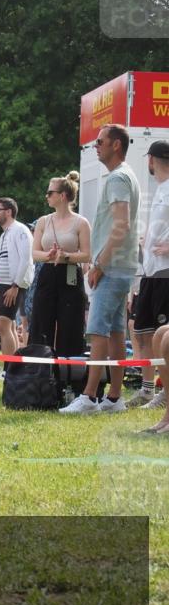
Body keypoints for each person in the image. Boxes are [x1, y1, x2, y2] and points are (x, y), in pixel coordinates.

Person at [61, 124, 140, 414]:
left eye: (100, 141)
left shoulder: (118, 177)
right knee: (117, 333)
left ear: (116, 145)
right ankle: (115, 398)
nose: (96, 146)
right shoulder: (125, 175)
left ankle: (89, 397)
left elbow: (121, 225)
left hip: (112, 267)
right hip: (122, 266)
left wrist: (99, 264)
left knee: (97, 331)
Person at [28, 172, 91, 359]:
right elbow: (34, 253)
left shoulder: (81, 223)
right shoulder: (43, 221)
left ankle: (68, 369)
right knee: (41, 323)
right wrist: (48, 255)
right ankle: (39, 367)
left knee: (70, 324)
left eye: (50, 193)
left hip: (70, 275)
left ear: (62, 195)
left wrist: (66, 256)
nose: (46, 196)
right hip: (48, 273)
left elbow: (87, 255)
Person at [126, 140, 169, 409]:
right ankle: (147, 388)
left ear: (151, 160)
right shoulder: (160, 189)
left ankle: (164, 391)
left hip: (166, 272)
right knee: (141, 331)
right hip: (151, 272)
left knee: (163, 335)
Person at [0, 198, 33, 356]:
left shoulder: (20, 230)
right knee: (9, 325)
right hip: (3, 284)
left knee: (3, 324)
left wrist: (16, 286)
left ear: (8, 212)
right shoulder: (4, 234)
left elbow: (25, 259)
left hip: (13, 284)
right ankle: (13, 365)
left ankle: (10, 366)